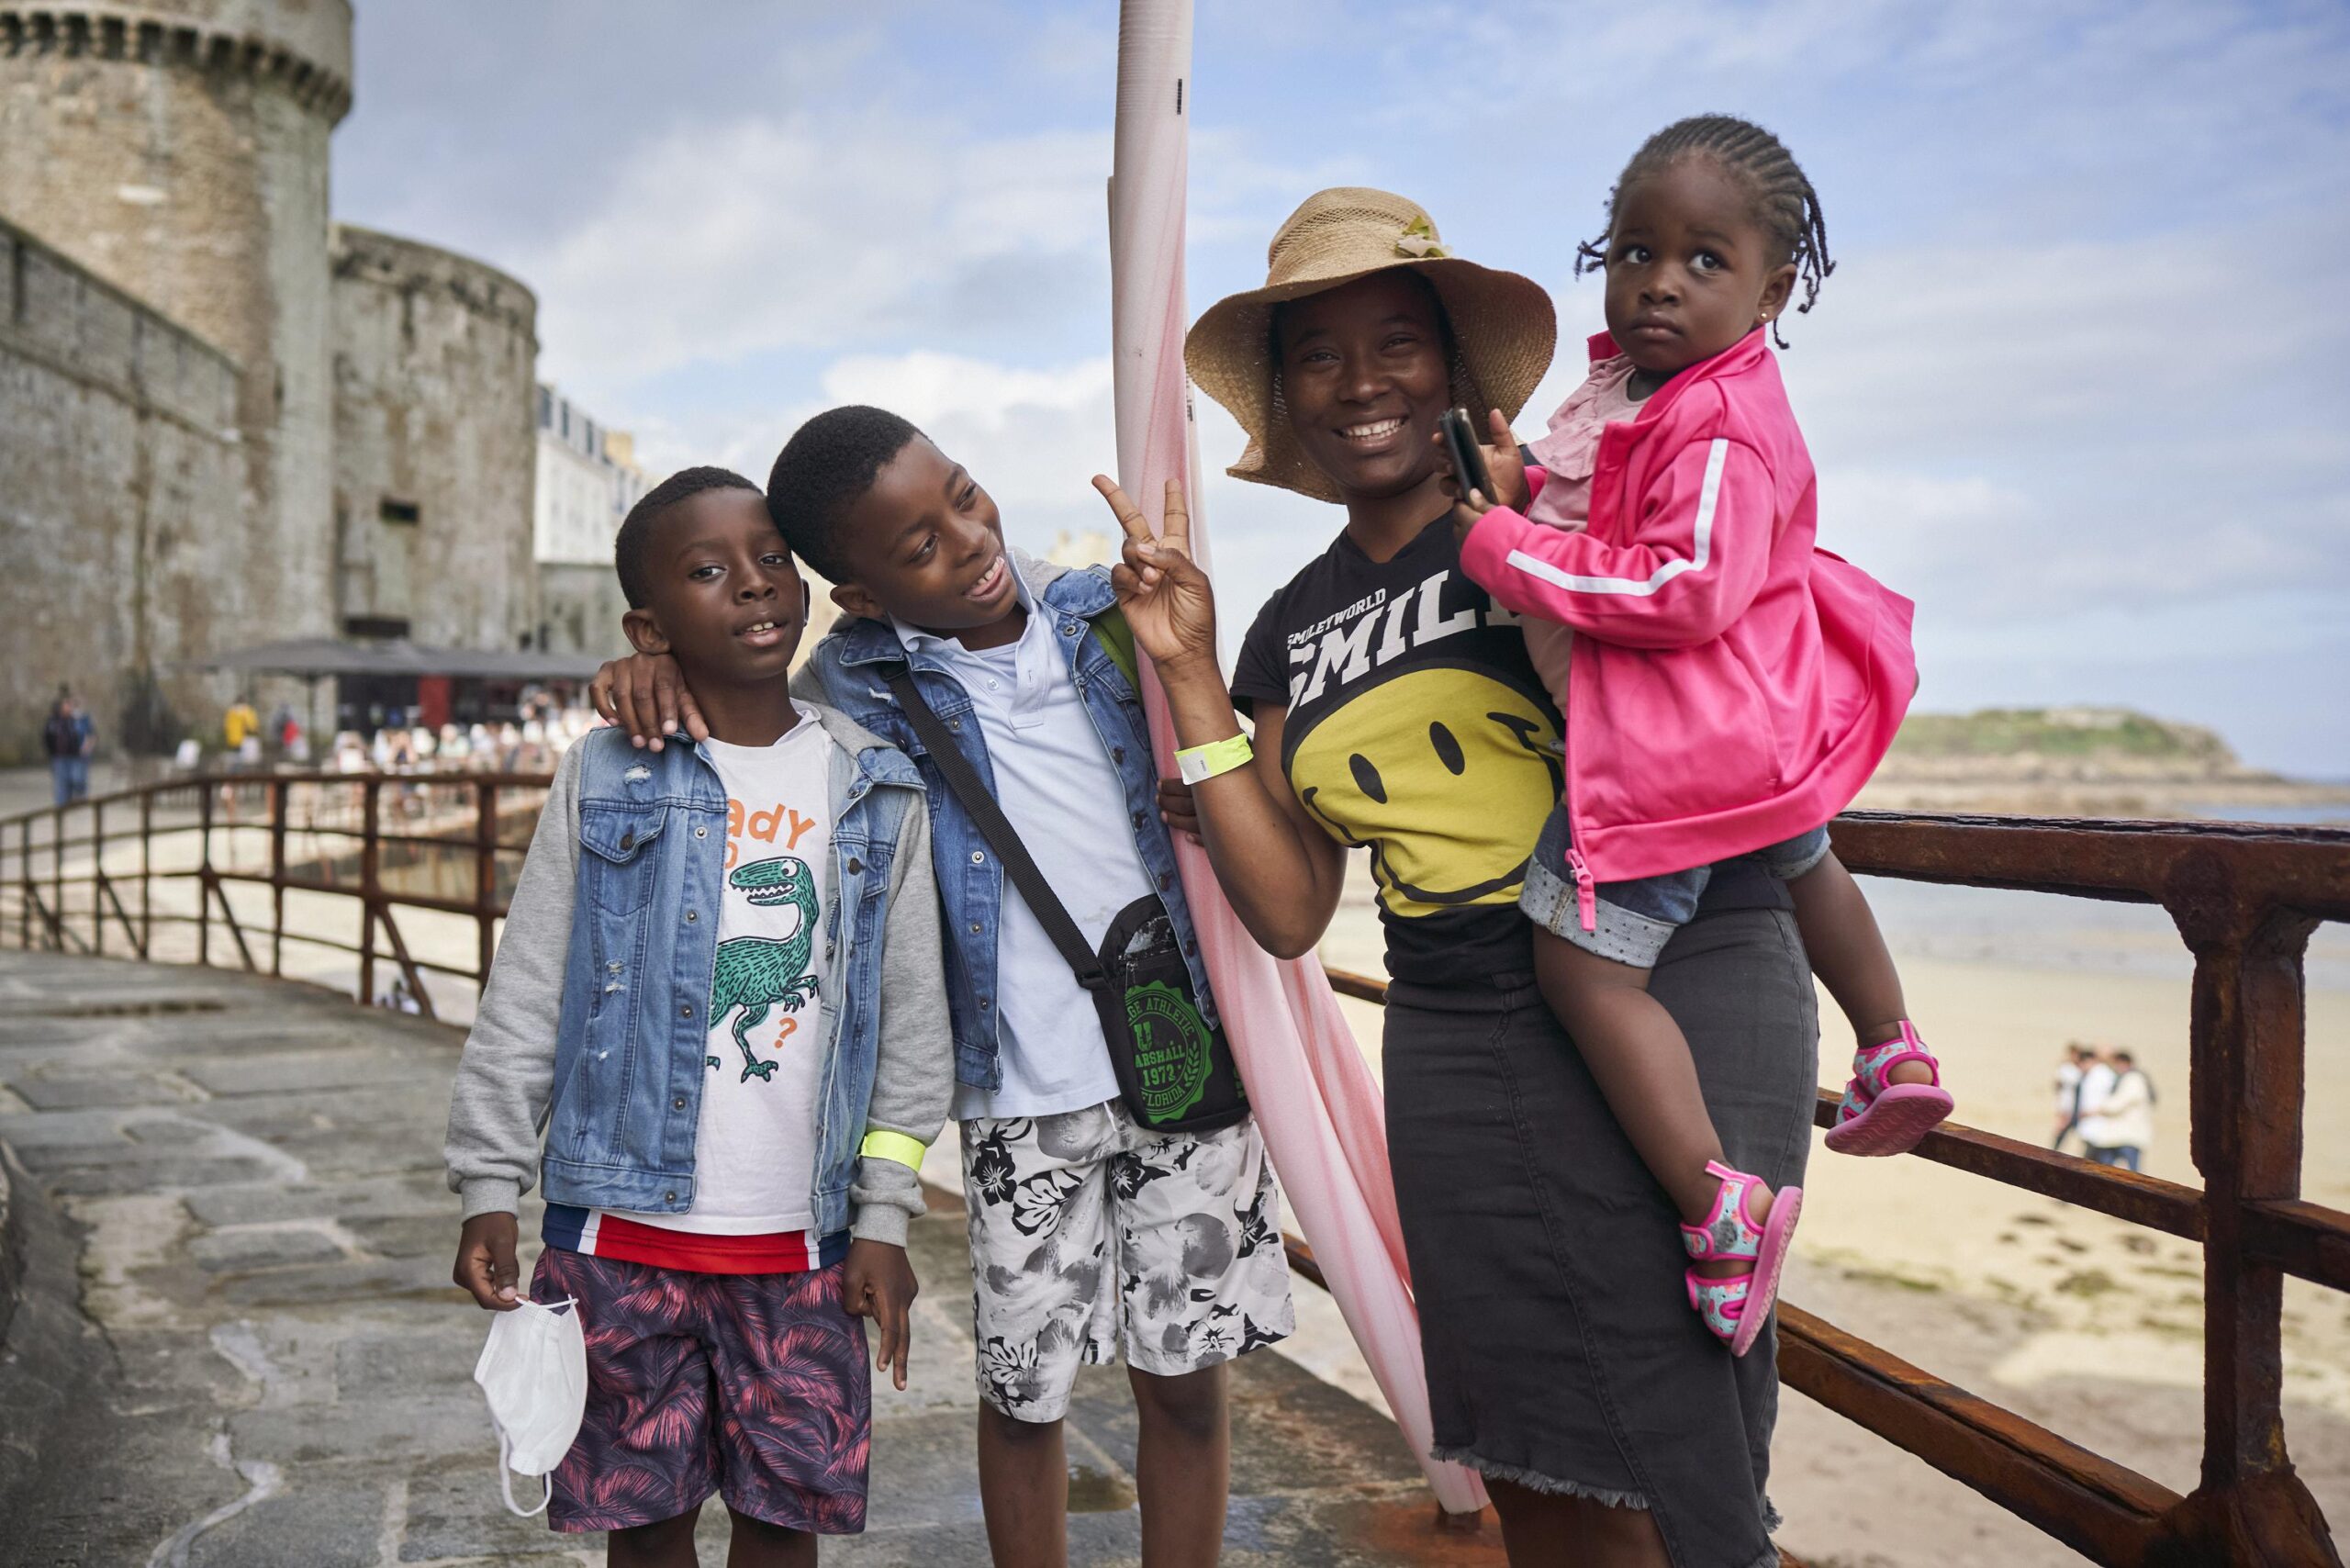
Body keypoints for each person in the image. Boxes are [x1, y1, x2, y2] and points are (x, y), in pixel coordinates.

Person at [1096, 185, 1818, 1565]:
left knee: (1678, 1429)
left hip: (1669, 980)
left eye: (1396, 342)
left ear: (1451, 365)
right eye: (1320, 354)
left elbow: (1720, 629)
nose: (1361, 381)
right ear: (1290, 396)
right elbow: (1294, 908)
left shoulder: (1551, 514)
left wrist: (1545, 521)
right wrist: (1188, 675)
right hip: (1453, 1032)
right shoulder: (1290, 630)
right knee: (1526, 1440)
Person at [595, 411, 1294, 1568]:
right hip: (1017, 1096)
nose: (969, 541)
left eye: (965, 496)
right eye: (917, 548)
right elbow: (742, 701)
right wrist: (650, 661)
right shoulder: (852, 690)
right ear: (861, 597)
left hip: (1181, 1060)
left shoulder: (1108, 619)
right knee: (1025, 1395)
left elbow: (1214, 756)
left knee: (1185, 1379)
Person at [1439, 117, 1935, 1352]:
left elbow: (1680, 588)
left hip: (1675, 752)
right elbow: (1594, 494)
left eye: (1704, 261)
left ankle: (1715, 1204)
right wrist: (1525, 493)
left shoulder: (1717, 424)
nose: (1660, 280)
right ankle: (1892, 1046)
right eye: (1636, 250)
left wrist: (1499, 545)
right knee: (1802, 854)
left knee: (1583, 969)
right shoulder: (1646, 388)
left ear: (1773, 289)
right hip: (1759, 730)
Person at [444, 467, 952, 1565]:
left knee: (785, 1530)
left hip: (801, 1243)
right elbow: (530, 987)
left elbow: (912, 1025)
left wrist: (885, 1213)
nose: (757, 585)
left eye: (772, 556)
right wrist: (491, 1180)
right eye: (709, 571)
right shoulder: (603, 776)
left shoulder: (874, 781)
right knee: (646, 1532)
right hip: (618, 1237)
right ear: (649, 624)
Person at [2080, 1049, 2154, 1172]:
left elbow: (2119, 1103)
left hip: (2129, 1135)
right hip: (2118, 1135)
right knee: (2107, 1169)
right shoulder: (2123, 1079)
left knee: (2132, 1174)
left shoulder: (2134, 1079)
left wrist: (2099, 1110)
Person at [42, 690, 94, 806]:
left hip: (75, 756)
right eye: (67, 705)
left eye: (70, 705)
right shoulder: (53, 721)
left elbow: (88, 734)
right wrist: (52, 752)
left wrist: (85, 748)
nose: (69, 707)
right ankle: (61, 809)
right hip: (59, 757)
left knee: (76, 780)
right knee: (61, 784)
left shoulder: (75, 720)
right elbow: (47, 737)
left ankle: (73, 801)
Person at [2052, 1042, 2092, 1150]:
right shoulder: (2066, 1068)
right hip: (2067, 1107)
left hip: (2079, 1109)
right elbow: (2059, 1089)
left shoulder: (2081, 1070)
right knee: (2060, 1134)